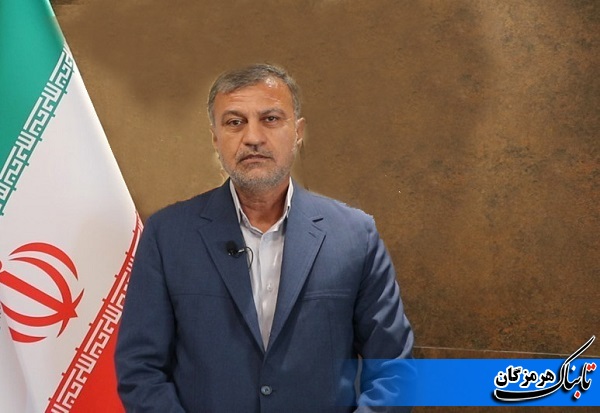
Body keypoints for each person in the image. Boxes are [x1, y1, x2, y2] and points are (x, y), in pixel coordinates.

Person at [115, 63, 414, 412]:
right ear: (215, 138)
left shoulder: (354, 235)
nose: (253, 137)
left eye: (270, 119)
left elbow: (394, 369)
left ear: (298, 131)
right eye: (234, 122)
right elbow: (140, 370)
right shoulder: (168, 235)